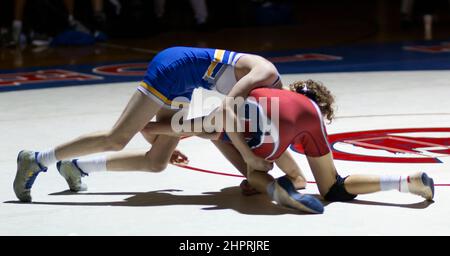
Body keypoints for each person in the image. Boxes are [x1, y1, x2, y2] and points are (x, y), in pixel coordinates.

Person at [56, 80, 435, 214]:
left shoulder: (264, 87)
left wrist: (163, 133)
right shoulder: (310, 113)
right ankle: (405, 181)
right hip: (265, 125)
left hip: (246, 116)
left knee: (257, 168)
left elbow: (192, 125)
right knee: (330, 185)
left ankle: (275, 188)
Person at [13, 46, 282, 203]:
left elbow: (219, 128)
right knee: (117, 138)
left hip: (187, 80)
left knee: (157, 161)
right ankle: (36, 159)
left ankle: (76, 167)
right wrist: (248, 158)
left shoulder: (272, 100)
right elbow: (222, 114)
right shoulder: (267, 75)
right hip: (175, 66)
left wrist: (249, 171)